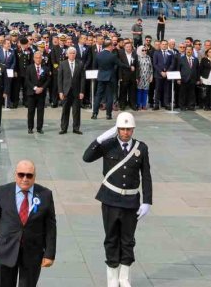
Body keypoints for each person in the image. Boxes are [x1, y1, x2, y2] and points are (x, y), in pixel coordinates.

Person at [83, 112, 152, 287]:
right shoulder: (109, 145)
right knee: (111, 238)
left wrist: (147, 201)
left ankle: (124, 277)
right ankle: (112, 278)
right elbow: (87, 158)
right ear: (117, 129)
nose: (126, 133)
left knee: (128, 240)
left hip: (130, 201)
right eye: (122, 129)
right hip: (110, 200)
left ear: (133, 129)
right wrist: (100, 139)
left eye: (129, 129)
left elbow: (146, 176)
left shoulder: (141, 148)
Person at [0, 160, 57, 287]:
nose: (25, 178)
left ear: (34, 176)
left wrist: (49, 254)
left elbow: (50, 227)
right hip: (6, 251)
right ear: (15, 174)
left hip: (32, 253)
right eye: (21, 174)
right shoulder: (2, 192)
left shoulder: (45, 195)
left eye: (29, 175)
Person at [57, 46, 84, 134]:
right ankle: (64, 128)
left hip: (76, 92)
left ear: (75, 54)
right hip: (66, 91)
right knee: (65, 111)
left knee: (76, 111)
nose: (72, 55)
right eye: (70, 53)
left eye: (73, 53)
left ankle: (76, 128)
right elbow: (59, 79)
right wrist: (60, 91)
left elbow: (82, 79)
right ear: (67, 54)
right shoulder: (63, 64)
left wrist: (81, 91)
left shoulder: (80, 64)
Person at [25, 50, 51, 134]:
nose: (38, 59)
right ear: (33, 58)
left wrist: (42, 88)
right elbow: (27, 80)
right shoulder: (29, 68)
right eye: (36, 58)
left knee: (40, 111)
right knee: (31, 111)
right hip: (31, 93)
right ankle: (30, 127)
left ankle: (39, 128)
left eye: (39, 58)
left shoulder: (45, 68)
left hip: (41, 93)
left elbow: (48, 80)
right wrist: (35, 88)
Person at [93, 41, 119, 120]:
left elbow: (95, 66)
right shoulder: (112, 56)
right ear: (109, 46)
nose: (113, 47)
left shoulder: (98, 55)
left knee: (98, 96)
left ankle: (94, 114)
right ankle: (108, 115)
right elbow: (119, 64)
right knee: (109, 96)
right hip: (110, 78)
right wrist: (128, 67)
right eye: (112, 46)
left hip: (101, 77)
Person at [136, 45, 153, 110]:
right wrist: (137, 77)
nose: (144, 51)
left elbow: (151, 67)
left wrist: (151, 76)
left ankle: (144, 104)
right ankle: (139, 104)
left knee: (145, 91)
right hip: (140, 77)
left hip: (147, 77)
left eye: (146, 50)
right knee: (139, 91)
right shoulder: (138, 57)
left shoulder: (148, 57)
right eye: (143, 50)